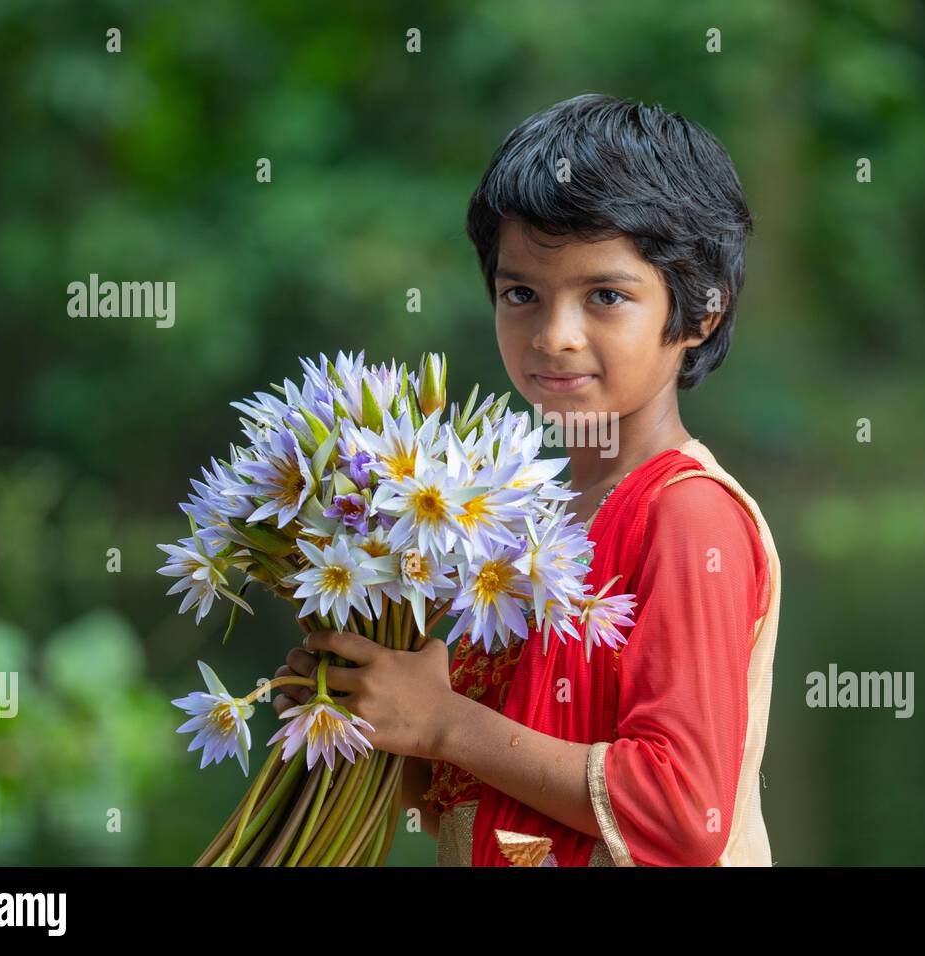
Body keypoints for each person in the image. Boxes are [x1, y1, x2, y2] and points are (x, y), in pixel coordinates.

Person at [273, 93, 781, 866]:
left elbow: (684, 811)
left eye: (605, 296)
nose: (554, 335)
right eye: (522, 295)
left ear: (701, 313)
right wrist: (368, 709)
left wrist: (445, 721)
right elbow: (468, 798)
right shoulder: (508, 522)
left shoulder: (688, 518)